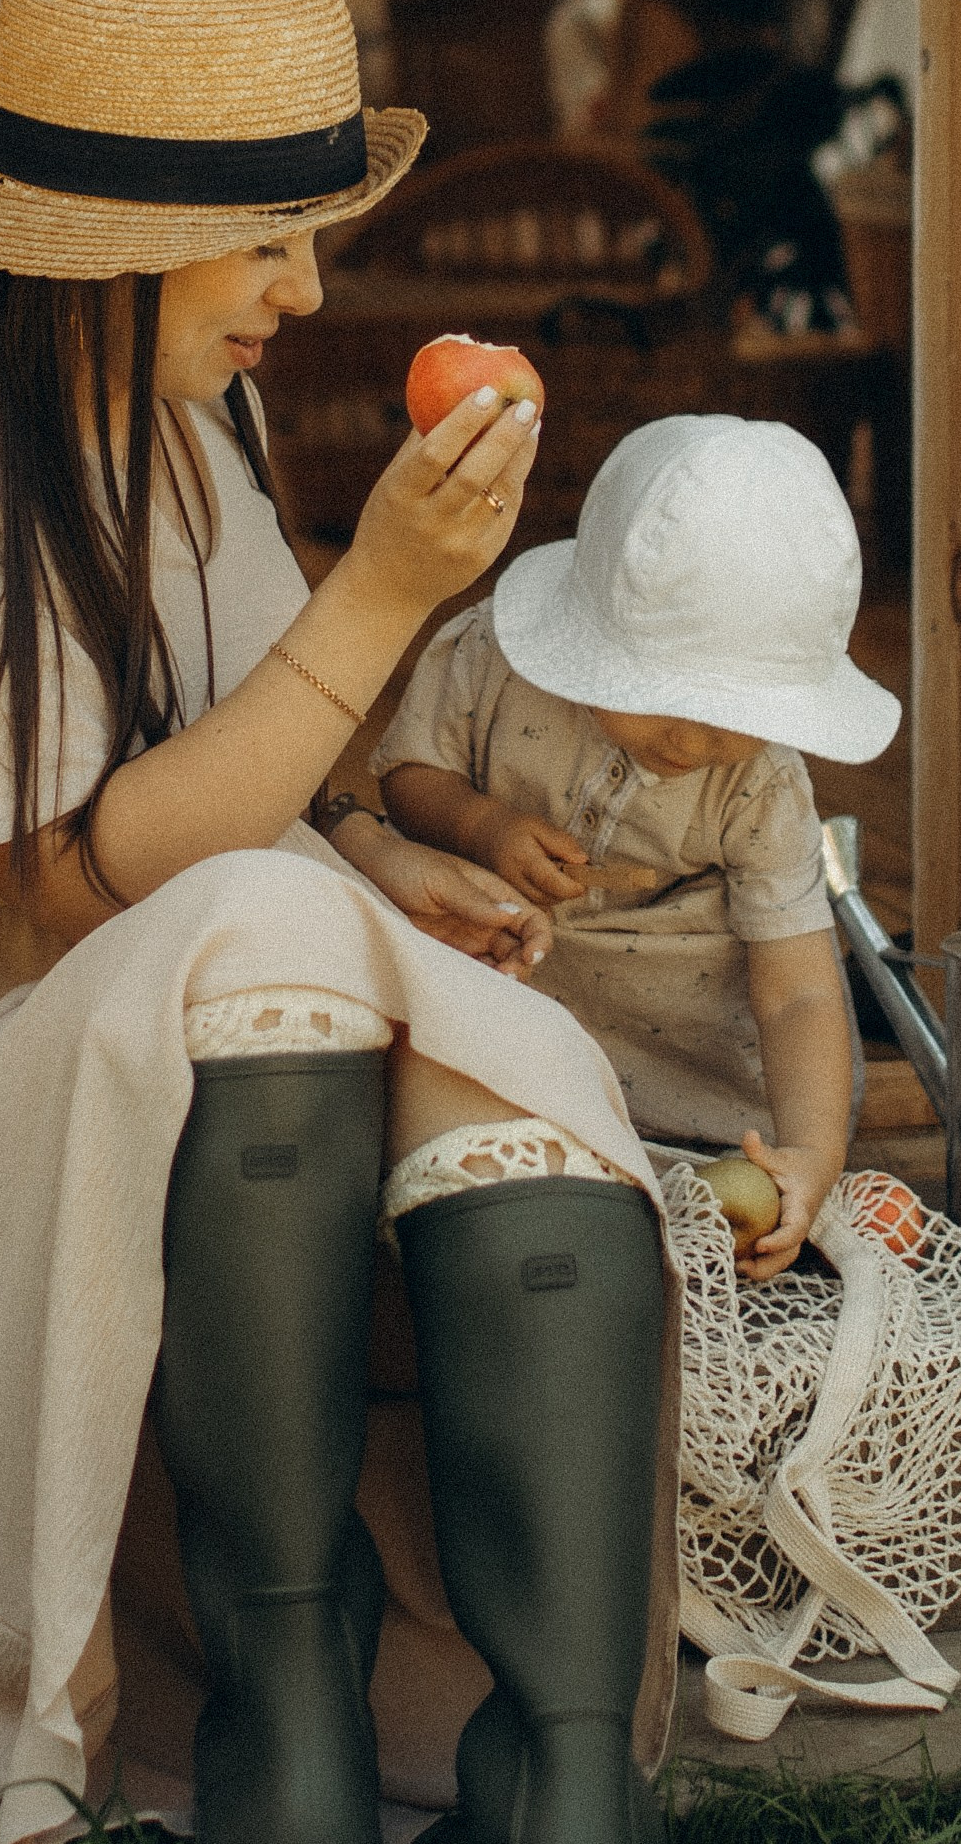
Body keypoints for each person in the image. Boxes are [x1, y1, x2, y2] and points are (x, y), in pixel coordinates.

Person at [0, 0, 692, 1844]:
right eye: (273, 239)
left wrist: (396, 861)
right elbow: (73, 892)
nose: (310, 293)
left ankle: (562, 1833)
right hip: (35, 1085)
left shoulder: (187, 416)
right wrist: (380, 602)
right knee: (258, 935)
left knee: (503, 1047)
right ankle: (294, 1708)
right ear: (112, 245)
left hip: (251, 1023)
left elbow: (288, 768)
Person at [375, 416, 901, 1272]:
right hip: (509, 1004)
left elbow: (798, 992)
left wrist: (813, 1154)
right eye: (657, 699)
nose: (690, 744)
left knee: (691, 1188)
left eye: (731, 719)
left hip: (686, 1065)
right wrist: (481, 826)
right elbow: (407, 772)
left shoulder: (762, 784)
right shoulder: (490, 659)